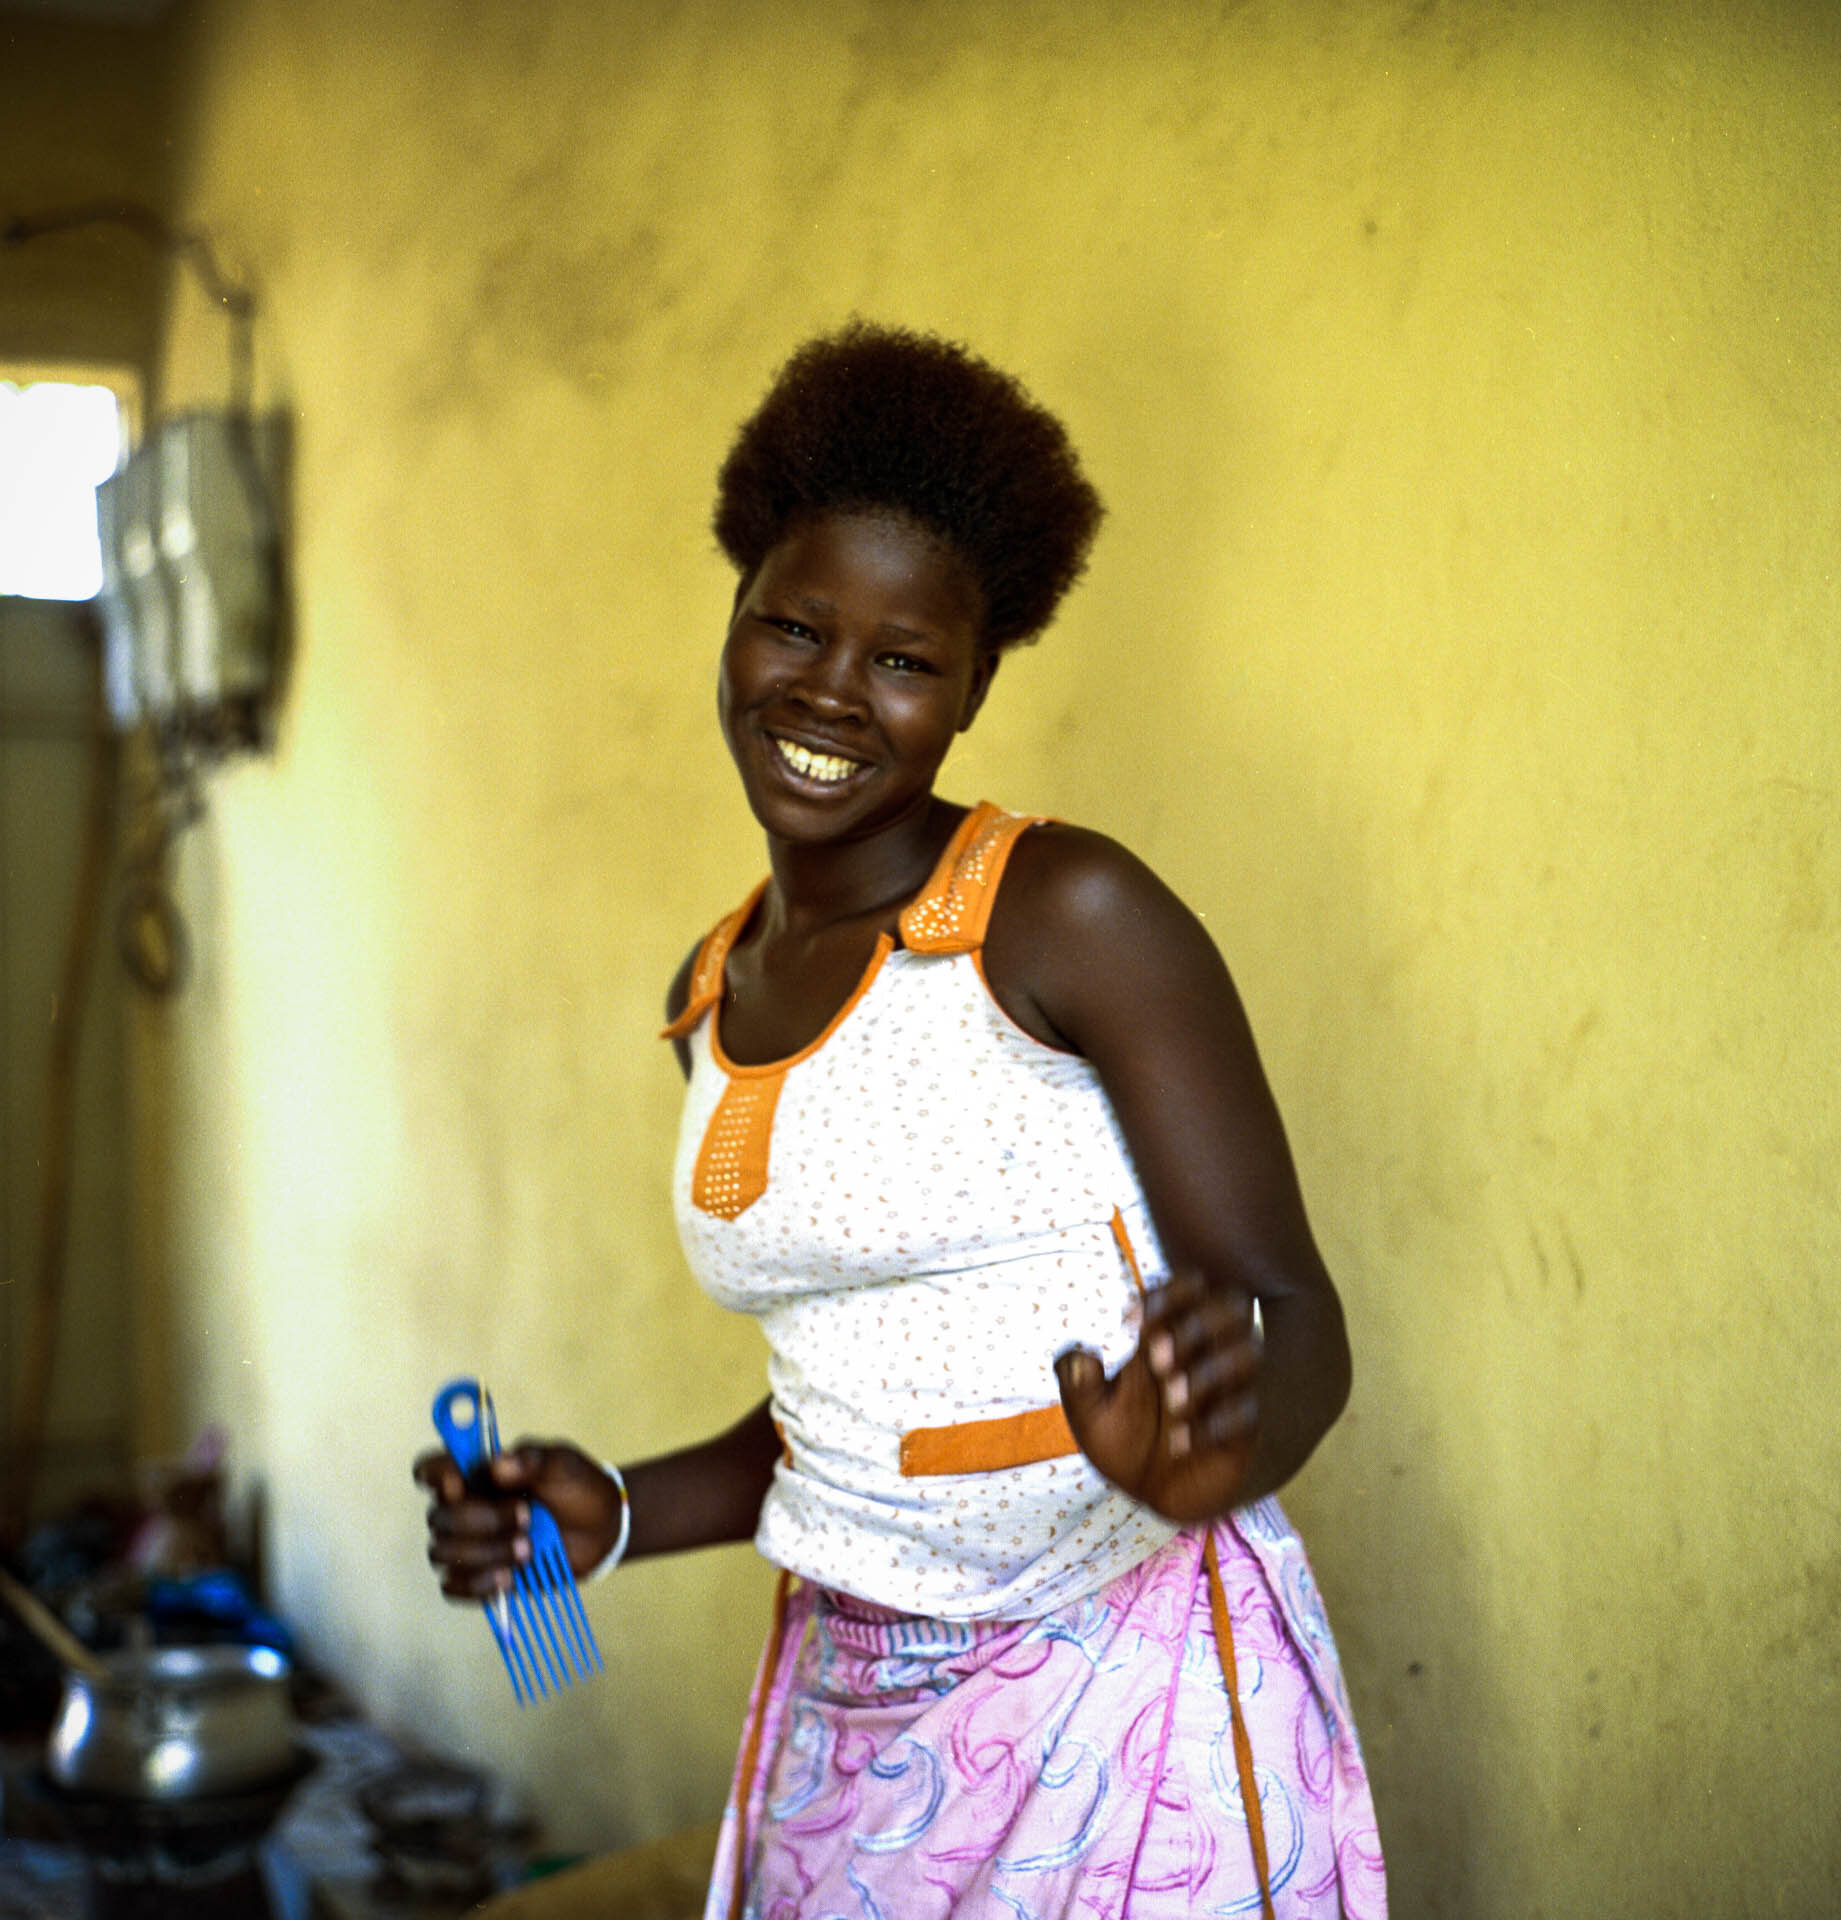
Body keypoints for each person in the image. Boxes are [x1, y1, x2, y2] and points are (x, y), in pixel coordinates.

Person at [417, 323, 1388, 1920]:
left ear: (972, 690)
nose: (832, 693)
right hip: (843, 1717)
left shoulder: (1069, 914)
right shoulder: (712, 991)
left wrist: (1213, 1461)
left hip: (1118, 1698)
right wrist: (616, 1513)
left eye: (903, 660)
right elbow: (841, 1413)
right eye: (794, 627)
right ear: (731, 620)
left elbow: (1302, 1324)